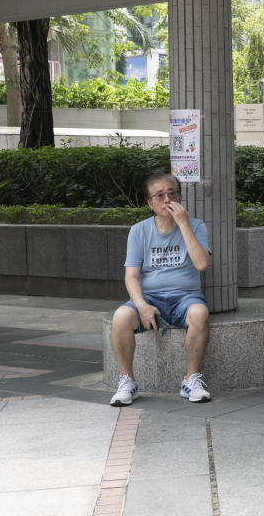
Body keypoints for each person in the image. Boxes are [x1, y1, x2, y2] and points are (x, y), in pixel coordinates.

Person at [109, 173, 212, 406]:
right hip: (150, 297)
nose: (167, 199)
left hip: (185, 297)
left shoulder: (196, 225)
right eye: (160, 195)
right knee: (122, 316)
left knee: (199, 313)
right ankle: (127, 382)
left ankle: (191, 380)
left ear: (180, 197)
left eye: (172, 193)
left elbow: (201, 264)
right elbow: (131, 276)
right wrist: (142, 306)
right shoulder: (139, 230)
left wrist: (184, 224)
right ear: (150, 203)